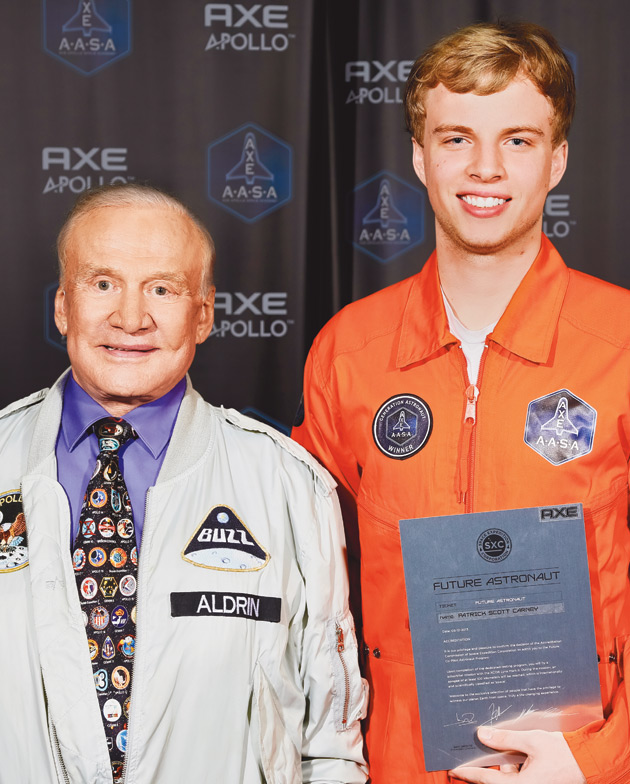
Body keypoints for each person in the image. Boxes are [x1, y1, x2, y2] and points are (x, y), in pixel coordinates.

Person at [292, 20, 630, 784]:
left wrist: (598, 763)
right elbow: (306, 594)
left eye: (518, 140)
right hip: (395, 767)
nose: (485, 168)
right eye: (455, 139)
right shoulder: (349, 351)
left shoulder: (622, 343)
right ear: (419, 156)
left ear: (558, 160)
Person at [0, 183, 368, 783]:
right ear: (63, 305)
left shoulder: (286, 484)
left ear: (203, 314)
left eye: (163, 290)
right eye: (102, 284)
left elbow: (328, 748)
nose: (130, 318)